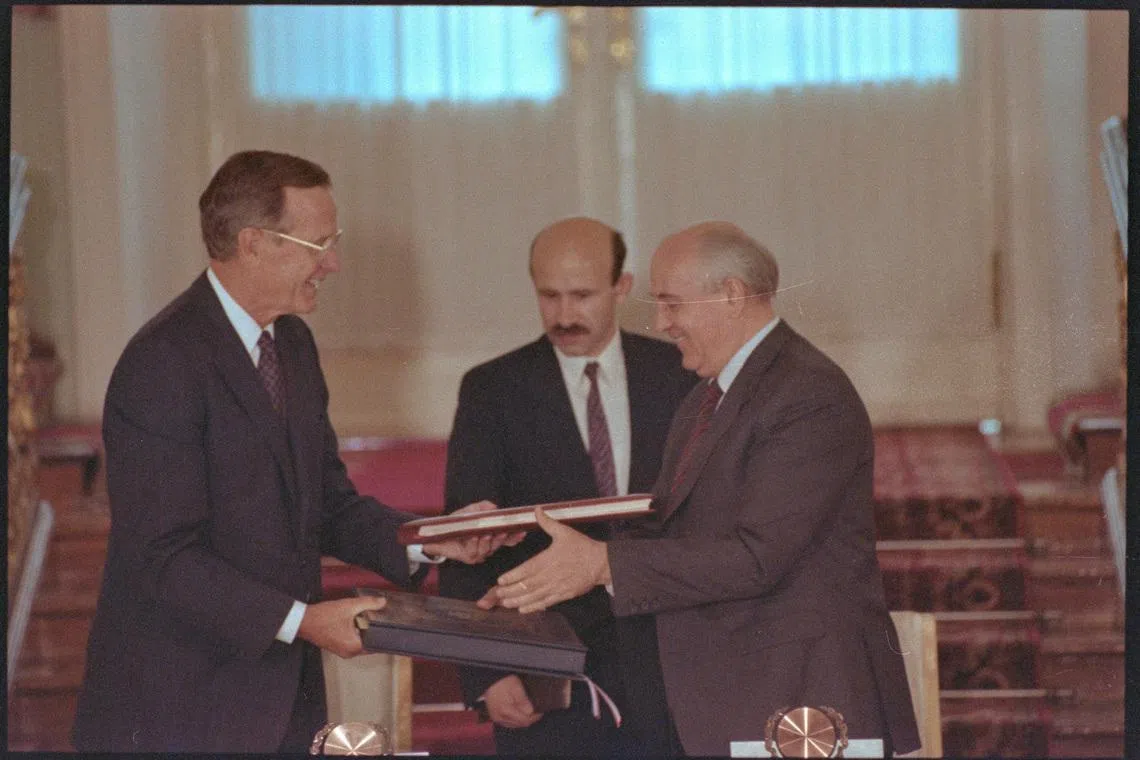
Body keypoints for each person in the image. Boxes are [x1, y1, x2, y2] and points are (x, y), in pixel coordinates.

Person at [72, 150, 521, 753]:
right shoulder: (163, 363)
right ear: (253, 242)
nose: (332, 264)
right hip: (180, 707)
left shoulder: (293, 344)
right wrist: (304, 621)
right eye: (317, 244)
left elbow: (327, 503)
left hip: (278, 696)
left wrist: (430, 538)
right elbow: (162, 556)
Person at [481, 221, 923, 756]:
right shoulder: (705, 398)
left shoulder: (806, 394)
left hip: (800, 697)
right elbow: (675, 529)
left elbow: (759, 555)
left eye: (672, 305)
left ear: (731, 294)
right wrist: (542, 570)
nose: (662, 323)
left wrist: (601, 564)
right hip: (734, 691)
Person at [439, 217, 698, 755]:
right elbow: (465, 541)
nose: (564, 315)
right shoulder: (492, 390)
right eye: (549, 296)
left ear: (621, 287)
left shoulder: (681, 374)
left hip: (676, 670)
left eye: (581, 295)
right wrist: (484, 673)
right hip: (548, 680)